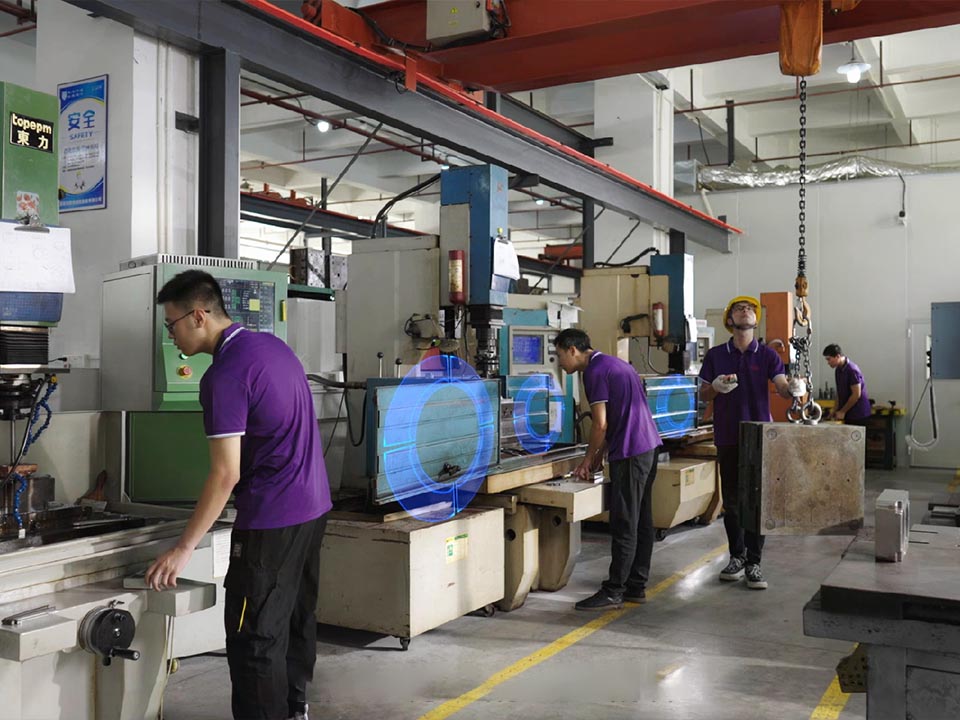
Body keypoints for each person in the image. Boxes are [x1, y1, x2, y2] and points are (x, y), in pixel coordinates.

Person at [145, 270, 331, 720]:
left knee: (254, 639)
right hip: (313, 508)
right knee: (294, 618)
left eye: (171, 325)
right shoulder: (273, 347)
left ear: (198, 316)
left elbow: (225, 473)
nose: (170, 337)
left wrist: (184, 547)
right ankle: (296, 709)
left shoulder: (224, 376)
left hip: (271, 521)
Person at [699, 296, 804, 591]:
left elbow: (781, 386)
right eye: (738, 308)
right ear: (729, 320)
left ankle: (754, 563)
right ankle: (737, 556)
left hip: (759, 438)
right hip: (728, 435)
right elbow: (703, 393)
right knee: (732, 501)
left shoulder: (768, 355)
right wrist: (715, 387)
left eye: (750, 309)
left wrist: (793, 389)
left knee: (758, 502)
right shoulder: (716, 355)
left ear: (756, 320)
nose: (745, 311)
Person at [554, 328, 662, 611]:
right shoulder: (615, 363)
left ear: (573, 350)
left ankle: (614, 590)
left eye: (559, 355)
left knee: (625, 522)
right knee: (642, 520)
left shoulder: (594, 372)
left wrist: (587, 460)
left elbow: (600, 424)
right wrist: (599, 455)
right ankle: (636, 585)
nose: (559, 362)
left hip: (630, 451)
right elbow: (615, 418)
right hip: (648, 447)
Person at [822, 343, 871, 424]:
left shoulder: (852, 370)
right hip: (848, 413)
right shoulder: (838, 370)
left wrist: (842, 411)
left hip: (859, 414)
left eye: (829, 359)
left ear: (837, 356)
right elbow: (840, 393)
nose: (828, 362)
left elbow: (856, 394)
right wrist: (834, 410)